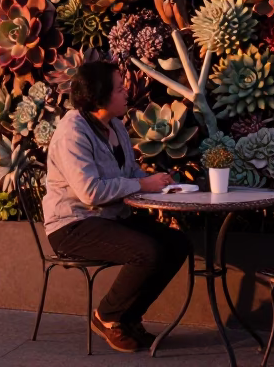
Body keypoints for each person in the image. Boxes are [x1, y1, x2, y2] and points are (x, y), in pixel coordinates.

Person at [43, 61, 194, 353]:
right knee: (146, 252)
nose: (127, 93)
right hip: (73, 224)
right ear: (99, 95)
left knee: (176, 244)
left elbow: (129, 172)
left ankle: (128, 318)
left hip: (110, 218)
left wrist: (158, 182)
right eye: (120, 88)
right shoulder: (72, 132)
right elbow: (89, 191)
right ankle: (107, 316)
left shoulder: (115, 125)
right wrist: (142, 186)